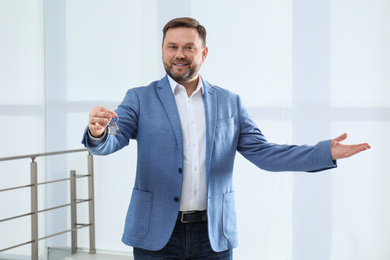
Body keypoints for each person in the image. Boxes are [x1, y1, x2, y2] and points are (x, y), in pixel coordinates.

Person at [82, 17, 370, 260]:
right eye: (172, 47)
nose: (179, 54)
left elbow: (265, 153)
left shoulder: (229, 102)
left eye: (188, 47)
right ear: (162, 51)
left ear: (203, 53)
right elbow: (113, 139)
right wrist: (99, 132)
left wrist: (325, 152)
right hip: (155, 234)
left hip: (212, 236)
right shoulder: (140, 98)